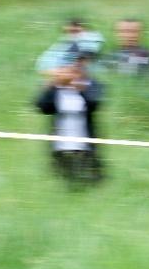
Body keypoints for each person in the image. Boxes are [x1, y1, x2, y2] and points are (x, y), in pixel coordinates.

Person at [35, 54, 104, 186]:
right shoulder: (56, 90)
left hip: (86, 147)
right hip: (60, 147)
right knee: (63, 183)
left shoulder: (91, 85)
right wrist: (51, 85)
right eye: (66, 69)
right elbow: (42, 107)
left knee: (91, 183)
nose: (69, 72)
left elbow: (94, 104)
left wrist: (79, 86)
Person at [37, 18, 105, 75]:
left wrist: (58, 71)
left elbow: (83, 64)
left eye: (75, 31)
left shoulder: (90, 40)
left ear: (85, 30)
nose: (71, 35)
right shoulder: (65, 43)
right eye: (67, 32)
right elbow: (43, 64)